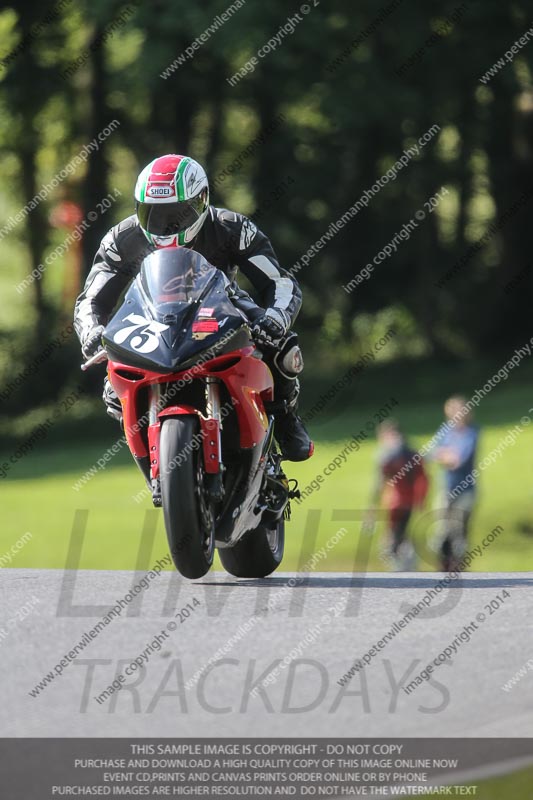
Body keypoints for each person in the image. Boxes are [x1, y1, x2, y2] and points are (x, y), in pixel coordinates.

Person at [74, 153, 314, 476]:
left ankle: (286, 419)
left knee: (283, 349)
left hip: (222, 308)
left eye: (176, 214)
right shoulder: (121, 239)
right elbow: (91, 298)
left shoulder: (232, 228)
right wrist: (91, 332)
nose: (165, 225)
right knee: (112, 388)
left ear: (201, 203)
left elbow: (279, 282)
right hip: (151, 317)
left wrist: (274, 319)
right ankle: (153, 456)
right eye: (153, 214)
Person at [367, 419, 429, 571]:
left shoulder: (387, 454)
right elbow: (424, 479)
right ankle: (408, 567)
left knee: (392, 539)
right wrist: (421, 499)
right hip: (409, 501)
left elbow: (379, 482)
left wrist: (372, 505)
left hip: (394, 502)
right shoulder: (413, 452)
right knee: (400, 534)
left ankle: (402, 571)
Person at [431, 395, 479, 571]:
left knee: (459, 530)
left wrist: (446, 454)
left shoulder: (472, 432)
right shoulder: (446, 431)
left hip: (466, 490)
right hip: (446, 488)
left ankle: (459, 568)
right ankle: (443, 568)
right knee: (441, 530)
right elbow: (432, 453)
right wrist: (446, 455)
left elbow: (459, 459)